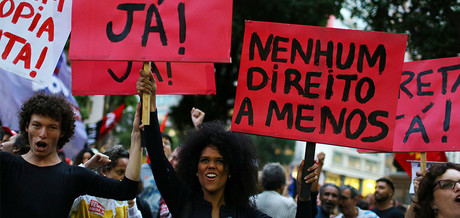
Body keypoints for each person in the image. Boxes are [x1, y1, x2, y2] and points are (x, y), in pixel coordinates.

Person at [137, 70, 320, 217]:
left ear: (232, 170)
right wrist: (151, 101)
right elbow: (158, 158)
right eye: (204, 160)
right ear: (195, 167)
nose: (211, 166)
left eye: (220, 161)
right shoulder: (182, 201)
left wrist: (306, 194)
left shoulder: (244, 214)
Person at [0, 93, 142, 218]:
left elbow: (127, 190)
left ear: (62, 132)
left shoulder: (75, 176)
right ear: (26, 127)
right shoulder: (6, 164)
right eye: (36, 125)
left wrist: (136, 137)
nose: (42, 134)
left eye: (52, 127)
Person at [70, 145, 142, 218]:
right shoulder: (84, 196)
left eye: (126, 174)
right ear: (104, 171)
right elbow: (64, 188)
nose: (124, 178)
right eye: (120, 172)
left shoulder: (127, 201)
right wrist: (87, 165)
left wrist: (131, 203)